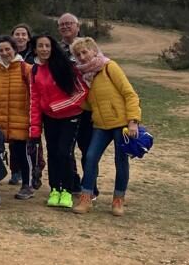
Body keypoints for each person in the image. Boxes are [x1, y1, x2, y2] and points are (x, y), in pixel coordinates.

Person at [71, 37, 142, 216]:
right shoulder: (84, 76)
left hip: (121, 124)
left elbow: (130, 94)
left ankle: (118, 200)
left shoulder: (109, 67)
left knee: (121, 161)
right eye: (78, 54)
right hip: (100, 125)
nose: (82, 57)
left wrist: (133, 121)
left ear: (94, 51)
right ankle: (86, 197)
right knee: (90, 157)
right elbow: (88, 104)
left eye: (85, 52)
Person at [28, 34, 87, 209]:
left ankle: (67, 191)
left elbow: (82, 91)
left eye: (47, 45)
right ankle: (55, 189)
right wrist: (34, 128)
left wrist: (59, 106)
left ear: (52, 47)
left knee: (64, 153)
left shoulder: (67, 66)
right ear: (35, 49)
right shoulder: (35, 70)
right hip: (49, 118)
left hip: (70, 116)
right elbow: (34, 99)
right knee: (52, 153)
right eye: (41, 46)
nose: (44, 49)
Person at [0, 36, 34, 200]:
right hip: (0, 118)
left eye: (8, 49)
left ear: (15, 49)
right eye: (1, 50)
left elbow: (33, 93)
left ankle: (27, 185)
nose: (5, 53)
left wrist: (28, 112)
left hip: (20, 118)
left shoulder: (26, 68)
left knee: (22, 153)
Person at [57, 12, 95, 195]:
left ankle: (90, 187)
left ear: (78, 26)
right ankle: (74, 184)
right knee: (66, 150)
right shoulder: (56, 49)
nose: (65, 27)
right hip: (65, 108)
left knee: (87, 149)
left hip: (87, 107)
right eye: (62, 25)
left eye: (69, 24)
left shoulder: (87, 45)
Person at [11, 22, 44, 188]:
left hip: (32, 103)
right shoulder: (7, 53)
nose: (20, 37)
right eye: (17, 34)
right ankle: (15, 170)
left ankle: (35, 173)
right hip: (14, 103)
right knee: (14, 141)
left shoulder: (34, 55)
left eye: (23, 34)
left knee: (33, 143)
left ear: (28, 37)